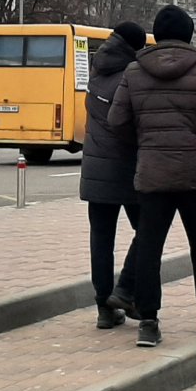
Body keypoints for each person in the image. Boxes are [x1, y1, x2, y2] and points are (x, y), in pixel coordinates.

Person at [108, 4, 196, 349]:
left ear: (156, 34)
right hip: (194, 172)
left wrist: (144, 140)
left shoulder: (134, 72)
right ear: (189, 35)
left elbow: (116, 121)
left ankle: (148, 323)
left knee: (150, 246)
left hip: (152, 171)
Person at [79, 22, 147, 330]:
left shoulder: (96, 73)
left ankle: (104, 307)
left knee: (101, 240)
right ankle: (128, 292)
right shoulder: (131, 77)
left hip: (95, 168)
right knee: (147, 231)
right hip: (128, 168)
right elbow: (131, 124)